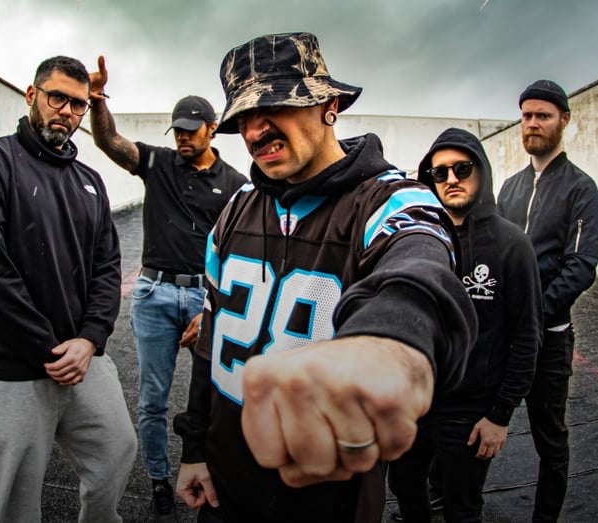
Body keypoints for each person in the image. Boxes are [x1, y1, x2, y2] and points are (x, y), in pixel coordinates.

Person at [172, 32, 478, 523]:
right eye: (244, 117)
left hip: (332, 498)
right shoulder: (234, 210)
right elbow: (211, 337)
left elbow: (418, 267)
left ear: (329, 105)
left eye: (275, 106)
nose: (255, 131)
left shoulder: (391, 200)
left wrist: (390, 343)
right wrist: (194, 447)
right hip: (225, 488)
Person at [0, 56, 136, 523]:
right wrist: (46, 348)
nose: (67, 112)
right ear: (32, 95)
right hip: (13, 368)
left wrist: (90, 339)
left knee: (117, 450)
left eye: (78, 104)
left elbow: (107, 267)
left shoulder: (89, 181)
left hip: (84, 361)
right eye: (57, 98)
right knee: (16, 504)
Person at [87, 56, 247, 522]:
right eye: (177, 130)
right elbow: (109, 141)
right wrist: (96, 101)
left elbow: (238, 255)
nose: (182, 138)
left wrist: (213, 308)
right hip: (153, 296)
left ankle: (211, 473)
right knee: (152, 399)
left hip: (204, 298)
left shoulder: (236, 185)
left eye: (191, 130)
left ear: (212, 130)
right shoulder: (157, 163)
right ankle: (159, 480)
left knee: (220, 396)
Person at [388, 128, 543, 522]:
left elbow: (527, 336)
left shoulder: (511, 243)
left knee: (462, 507)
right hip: (416, 402)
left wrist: (500, 415)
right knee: (404, 485)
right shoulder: (417, 239)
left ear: (481, 171)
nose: (451, 179)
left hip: (471, 410)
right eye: (439, 173)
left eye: (462, 168)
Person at [497, 80, 598, 522]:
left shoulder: (581, 189)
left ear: (564, 120)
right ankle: (450, 497)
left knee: (550, 437)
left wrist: (531, 317)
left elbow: (581, 266)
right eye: (527, 116)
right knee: (476, 418)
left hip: (550, 339)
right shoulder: (509, 188)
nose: (533, 123)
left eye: (543, 115)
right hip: (502, 336)